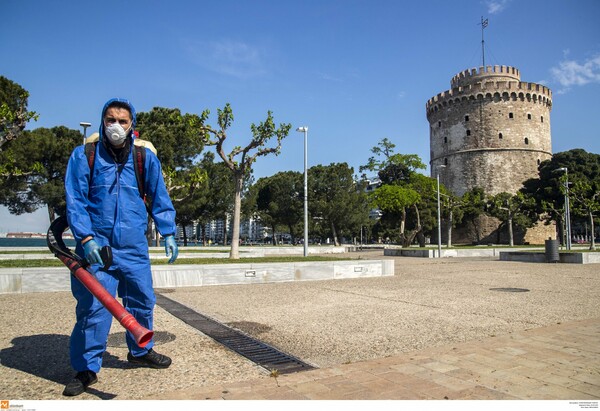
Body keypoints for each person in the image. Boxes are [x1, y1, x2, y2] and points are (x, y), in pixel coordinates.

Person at [63, 98, 179, 396]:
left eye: (122, 121)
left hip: (133, 248)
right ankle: (86, 368)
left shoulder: (144, 158)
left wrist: (167, 231)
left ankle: (140, 351)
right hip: (97, 248)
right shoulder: (84, 155)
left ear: (132, 125)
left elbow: (159, 194)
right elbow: (75, 201)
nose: (116, 126)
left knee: (141, 300)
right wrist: (86, 239)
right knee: (93, 309)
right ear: (102, 121)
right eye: (110, 119)